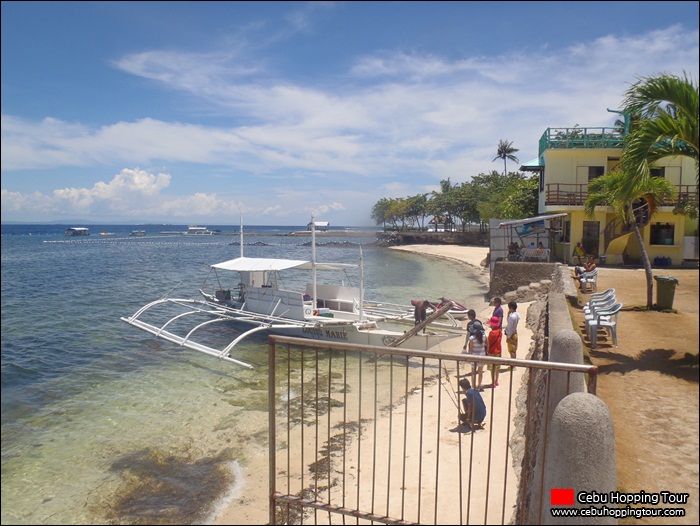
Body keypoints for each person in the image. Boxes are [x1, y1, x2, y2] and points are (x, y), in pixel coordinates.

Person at [462, 319, 486, 390]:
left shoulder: (472, 338)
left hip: (474, 357)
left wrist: (468, 357)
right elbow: (487, 346)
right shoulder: (484, 336)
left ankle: (473, 387)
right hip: (482, 356)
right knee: (480, 373)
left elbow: (470, 349)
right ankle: (479, 386)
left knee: (473, 373)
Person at [486, 315, 503, 387]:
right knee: (497, 368)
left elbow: (489, 343)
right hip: (498, 351)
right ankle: (496, 381)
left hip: (492, 352)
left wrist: (487, 352)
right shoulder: (500, 332)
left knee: (492, 369)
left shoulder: (492, 333)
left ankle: (493, 383)